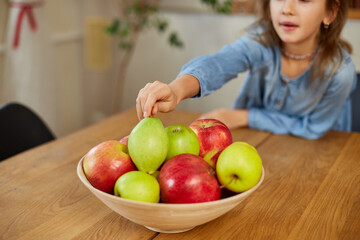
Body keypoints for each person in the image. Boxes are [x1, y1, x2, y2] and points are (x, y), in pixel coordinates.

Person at [135, 0, 357, 139]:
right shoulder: (261, 41)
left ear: (331, 11)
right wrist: (176, 90)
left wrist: (244, 117)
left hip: (319, 153)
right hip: (256, 144)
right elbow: (220, 63)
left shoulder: (340, 73)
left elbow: (313, 129)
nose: (287, 9)